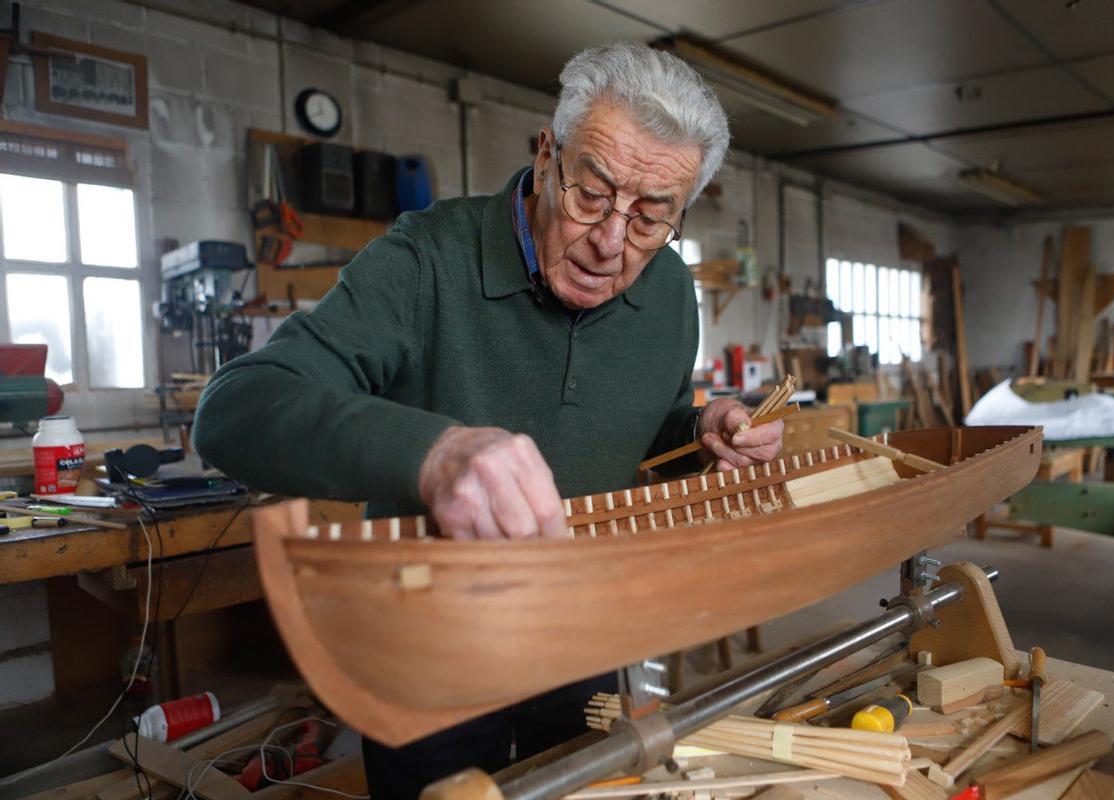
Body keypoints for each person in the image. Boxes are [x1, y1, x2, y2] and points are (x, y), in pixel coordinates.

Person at [194, 41, 784, 798]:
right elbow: (235, 409)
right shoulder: (425, 261)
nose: (610, 243)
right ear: (547, 157)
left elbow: (642, 423)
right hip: (427, 640)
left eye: (649, 218)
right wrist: (434, 455)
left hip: (580, 630)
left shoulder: (669, 291)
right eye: (591, 195)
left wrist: (704, 429)